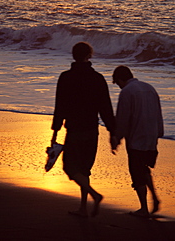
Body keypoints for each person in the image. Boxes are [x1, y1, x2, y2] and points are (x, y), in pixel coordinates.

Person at [51, 42, 115, 218]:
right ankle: (83, 207)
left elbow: (60, 107)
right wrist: (113, 131)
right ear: (90, 55)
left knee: (71, 168)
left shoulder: (66, 77)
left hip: (74, 129)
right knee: (85, 169)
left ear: (73, 56)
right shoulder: (98, 78)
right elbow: (106, 109)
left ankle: (94, 196)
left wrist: (55, 132)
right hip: (92, 130)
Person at [111, 65, 164, 218]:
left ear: (120, 79)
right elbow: (158, 113)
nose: (118, 86)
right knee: (145, 168)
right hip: (151, 136)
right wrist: (159, 133)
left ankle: (144, 208)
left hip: (136, 137)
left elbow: (123, 119)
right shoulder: (149, 88)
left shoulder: (127, 92)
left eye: (117, 82)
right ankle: (154, 197)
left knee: (136, 172)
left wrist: (117, 138)